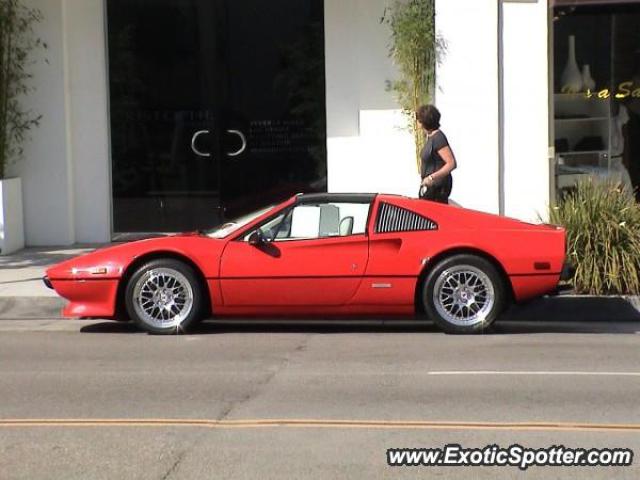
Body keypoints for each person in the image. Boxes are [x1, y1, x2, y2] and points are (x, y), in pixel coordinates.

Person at [416, 104, 457, 204]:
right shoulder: (431, 137)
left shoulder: (438, 138)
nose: (417, 123)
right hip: (430, 189)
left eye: (418, 120)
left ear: (424, 122)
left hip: (437, 189)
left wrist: (431, 177)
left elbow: (451, 163)